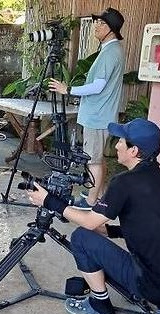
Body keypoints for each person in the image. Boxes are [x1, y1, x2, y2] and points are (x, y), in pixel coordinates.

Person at [27, 118, 160, 314]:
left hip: (152, 286)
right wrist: (103, 228)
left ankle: (100, 305)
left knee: (80, 237)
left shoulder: (124, 182)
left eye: (121, 141)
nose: (116, 145)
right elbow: (149, 225)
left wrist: (48, 201)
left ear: (133, 150)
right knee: (92, 232)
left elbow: (89, 222)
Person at [48, 7, 125, 211]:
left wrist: (68, 89)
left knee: (93, 161)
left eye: (101, 23)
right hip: (99, 114)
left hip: (98, 116)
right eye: (96, 22)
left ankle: (91, 203)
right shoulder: (109, 50)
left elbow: (98, 86)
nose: (96, 27)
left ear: (112, 29)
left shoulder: (110, 53)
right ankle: (98, 194)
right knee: (97, 158)